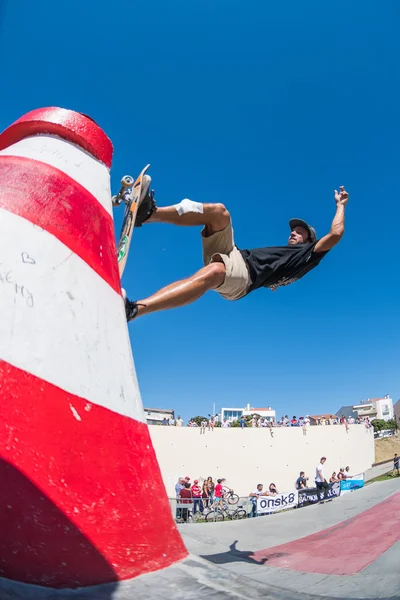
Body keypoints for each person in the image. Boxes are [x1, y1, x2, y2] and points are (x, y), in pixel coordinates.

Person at [123, 177, 349, 321]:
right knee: (219, 213)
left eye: (300, 232)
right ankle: (149, 214)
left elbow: (336, 234)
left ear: (311, 242)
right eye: (293, 230)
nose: (293, 233)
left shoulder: (309, 255)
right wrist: (273, 283)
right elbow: (279, 276)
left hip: (243, 278)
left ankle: (136, 309)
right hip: (235, 254)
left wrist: (340, 206)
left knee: (215, 273)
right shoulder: (289, 260)